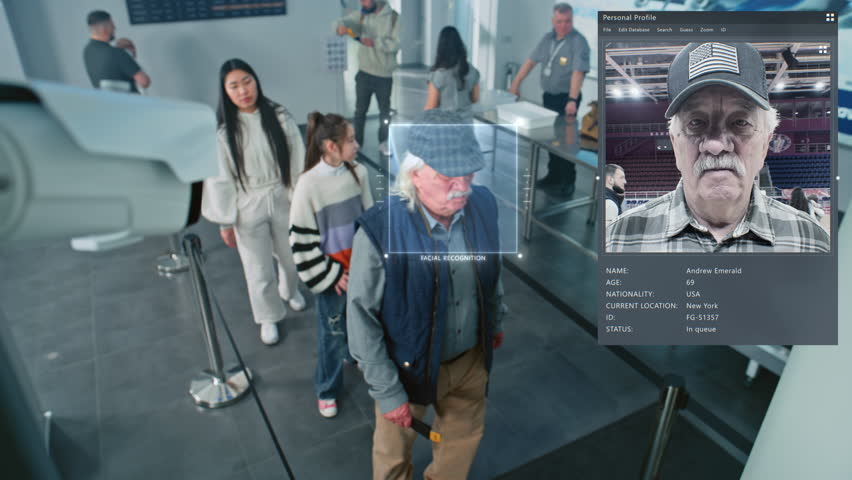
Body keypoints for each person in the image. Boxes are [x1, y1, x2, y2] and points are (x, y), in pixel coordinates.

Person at [348, 110, 506, 480]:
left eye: (468, 173)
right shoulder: (380, 230)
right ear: (414, 173)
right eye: (448, 176)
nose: (462, 186)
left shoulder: (483, 205)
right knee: (392, 457)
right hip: (406, 368)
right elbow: (360, 316)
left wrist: (495, 317)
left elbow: (491, 272)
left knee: (459, 449)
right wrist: (387, 392)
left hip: (469, 361)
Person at [607, 42, 830, 253]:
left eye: (740, 122)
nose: (715, 145)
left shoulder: (812, 242)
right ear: (675, 144)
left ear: (765, 144)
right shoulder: (618, 239)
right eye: (696, 123)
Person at [201, 59, 307, 345]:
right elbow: (220, 179)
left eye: (247, 81)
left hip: (282, 194)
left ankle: (290, 290)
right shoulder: (224, 133)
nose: (243, 90)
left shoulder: (279, 116)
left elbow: (297, 159)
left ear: (256, 81)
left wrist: (300, 199)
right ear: (225, 92)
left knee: (292, 257)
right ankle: (268, 316)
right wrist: (226, 221)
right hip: (248, 204)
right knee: (257, 268)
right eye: (233, 86)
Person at [289, 112, 374, 418]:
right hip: (333, 278)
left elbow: (369, 220)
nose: (357, 144)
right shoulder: (308, 185)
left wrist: (368, 265)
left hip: (359, 269)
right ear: (330, 146)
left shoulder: (359, 173)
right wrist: (332, 275)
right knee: (331, 334)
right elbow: (300, 241)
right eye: (350, 139)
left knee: (359, 319)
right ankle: (326, 388)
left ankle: (355, 355)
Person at [508, 2, 590, 195]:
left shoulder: (578, 41)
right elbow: (531, 62)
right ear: (553, 21)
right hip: (549, 98)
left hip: (567, 99)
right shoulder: (548, 39)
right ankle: (553, 176)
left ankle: (568, 181)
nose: (564, 25)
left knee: (566, 142)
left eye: (568, 21)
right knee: (552, 139)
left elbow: (578, 72)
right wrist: (515, 84)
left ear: (572, 20)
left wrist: (572, 99)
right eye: (560, 21)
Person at [335, 0, 401, 157]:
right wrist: (340, 27)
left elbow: (396, 44)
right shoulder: (363, 15)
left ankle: (384, 142)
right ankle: (357, 144)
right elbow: (343, 21)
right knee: (359, 112)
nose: (362, 3)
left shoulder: (394, 18)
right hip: (364, 73)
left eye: (365, 0)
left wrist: (375, 43)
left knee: (385, 112)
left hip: (384, 75)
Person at [83, 10, 150, 93]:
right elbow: (144, 82)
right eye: (112, 25)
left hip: (108, 102)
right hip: (130, 103)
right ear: (104, 29)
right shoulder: (117, 53)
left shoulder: (87, 52)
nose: (115, 28)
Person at [424, 26, 480, 117]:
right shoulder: (472, 70)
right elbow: (475, 98)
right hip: (466, 125)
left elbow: (431, 106)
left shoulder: (438, 75)